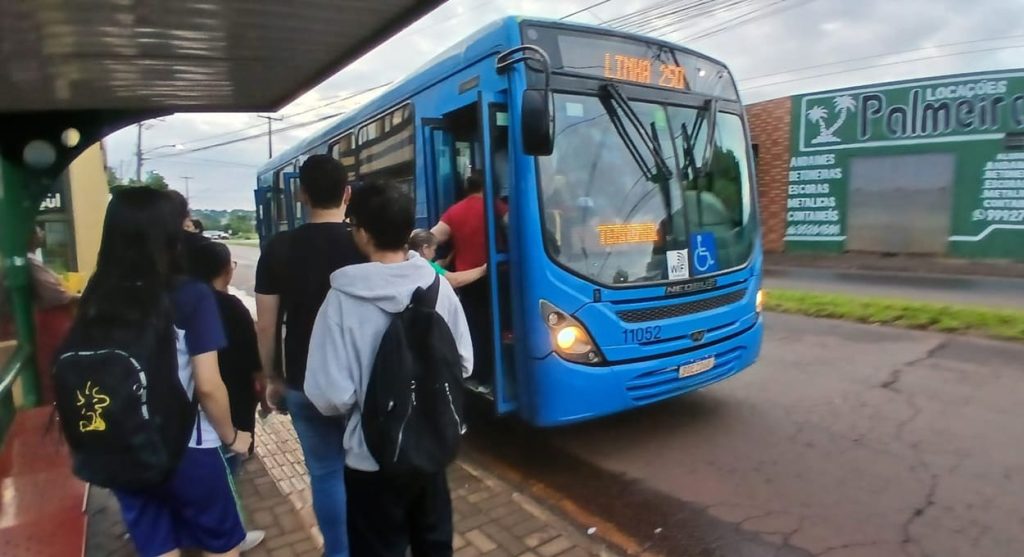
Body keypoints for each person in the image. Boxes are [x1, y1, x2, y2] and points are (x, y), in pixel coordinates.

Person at [78, 187, 250, 557]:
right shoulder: (190, 295)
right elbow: (207, 385)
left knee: (158, 546)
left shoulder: (97, 292)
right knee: (222, 545)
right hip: (187, 445)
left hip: (123, 445)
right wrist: (232, 436)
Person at [305, 182, 473, 557]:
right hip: (431, 446)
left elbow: (330, 395)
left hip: (371, 457)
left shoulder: (342, 299)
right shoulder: (437, 287)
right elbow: (463, 362)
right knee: (434, 545)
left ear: (362, 232)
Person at [254, 154, 363, 557]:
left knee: (325, 472)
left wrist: (271, 377)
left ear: (301, 195)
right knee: (366, 468)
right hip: (361, 380)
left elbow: (266, 325)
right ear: (347, 194)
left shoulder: (279, 247)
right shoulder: (362, 242)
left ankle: (338, 551)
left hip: (303, 379)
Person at [192, 241, 267, 552]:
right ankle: (230, 532)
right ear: (226, 270)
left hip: (194, 407)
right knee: (229, 470)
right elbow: (254, 360)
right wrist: (264, 390)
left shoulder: (185, 305)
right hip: (233, 402)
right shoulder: (231, 307)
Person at [430, 171, 505, 388]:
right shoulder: (496, 206)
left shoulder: (454, 211)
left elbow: (431, 238)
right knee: (496, 327)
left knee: (475, 328)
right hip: (496, 275)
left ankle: (478, 376)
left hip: (467, 281)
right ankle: (494, 377)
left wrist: (441, 261)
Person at [28, 224, 78, 403]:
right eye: (37, 229)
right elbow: (56, 295)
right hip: (50, 327)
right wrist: (78, 297)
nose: (41, 232)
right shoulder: (30, 263)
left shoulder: (32, 261)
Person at [407, 229, 487, 289]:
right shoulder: (426, 266)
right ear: (425, 249)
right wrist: (483, 270)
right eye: (434, 249)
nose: (435, 254)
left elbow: (436, 267)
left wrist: (447, 260)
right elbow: (455, 280)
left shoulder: (411, 261)